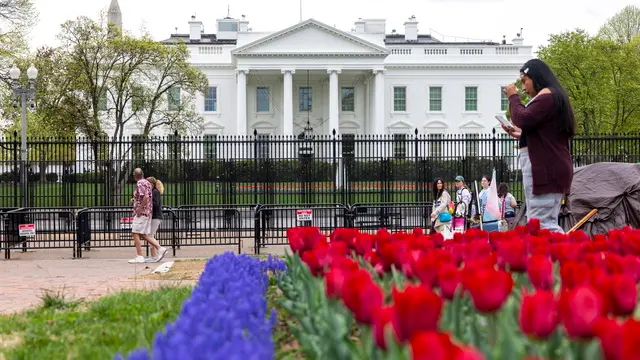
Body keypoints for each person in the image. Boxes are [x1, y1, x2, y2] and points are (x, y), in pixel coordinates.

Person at [502, 58, 575, 233]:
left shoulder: (547, 97)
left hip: (545, 170)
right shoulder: (552, 97)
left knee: (543, 225)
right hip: (549, 167)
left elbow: (523, 118)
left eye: (525, 81)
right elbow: (547, 134)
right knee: (541, 222)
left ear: (535, 77)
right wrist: (522, 135)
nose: (524, 87)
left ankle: (567, 257)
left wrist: (513, 96)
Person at [129, 168, 167, 264]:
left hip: (142, 213)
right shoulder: (146, 182)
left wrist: (139, 209)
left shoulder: (140, 183)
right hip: (147, 213)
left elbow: (145, 197)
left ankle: (139, 256)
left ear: (134, 176)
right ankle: (160, 248)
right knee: (142, 234)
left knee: (135, 232)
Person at [145, 176, 165, 262]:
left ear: (152, 184)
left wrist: (146, 202)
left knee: (150, 236)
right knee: (150, 236)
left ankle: (159, 250)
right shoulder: (153, 192)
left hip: (156, 216)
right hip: (154, 216)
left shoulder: (155, 192)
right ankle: (154, 256)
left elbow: (155, 204)